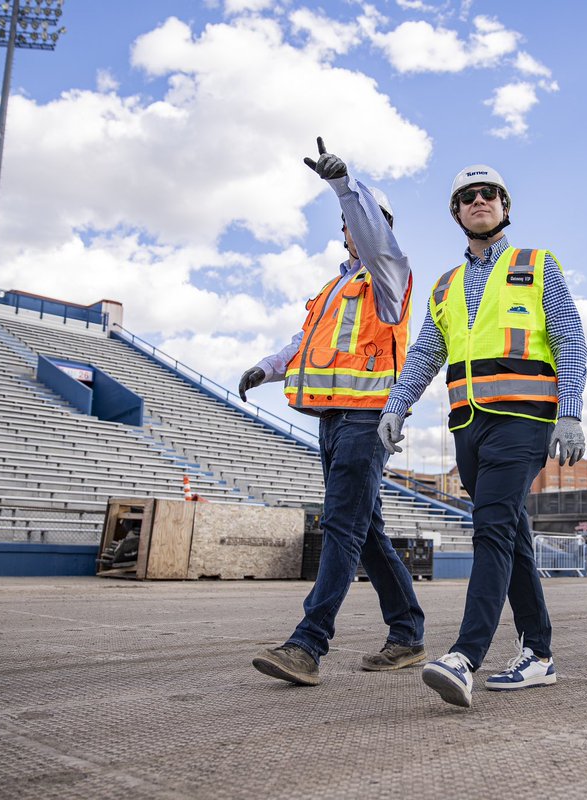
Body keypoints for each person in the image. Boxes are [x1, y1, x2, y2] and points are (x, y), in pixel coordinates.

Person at [378, 164, 587, 708]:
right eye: (468, 196)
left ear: (504, 205)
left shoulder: (535, 264)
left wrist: (570, 412)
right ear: (456, 212)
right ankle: (538, 655)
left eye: (489, 193)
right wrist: (397, 407)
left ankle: (463, 656)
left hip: (523, 419)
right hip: (469, 426)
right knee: (511, 536)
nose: (479, 201)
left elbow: (569, 339)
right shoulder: (446, 285)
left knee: (491, 530)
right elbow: (426, 352)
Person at [242, 137, 426, 685]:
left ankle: (307, 643)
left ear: (375, 224)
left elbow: (374, 237)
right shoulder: (334, 288)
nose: (352, 227)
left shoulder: (390, 273)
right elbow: (305, 341)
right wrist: (267, 368)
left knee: (342, 526)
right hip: (331, 418)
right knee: (366, 531)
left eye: (362, 219)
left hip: (369, 419)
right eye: (348, 220)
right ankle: (409, 632)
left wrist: (345, 187)